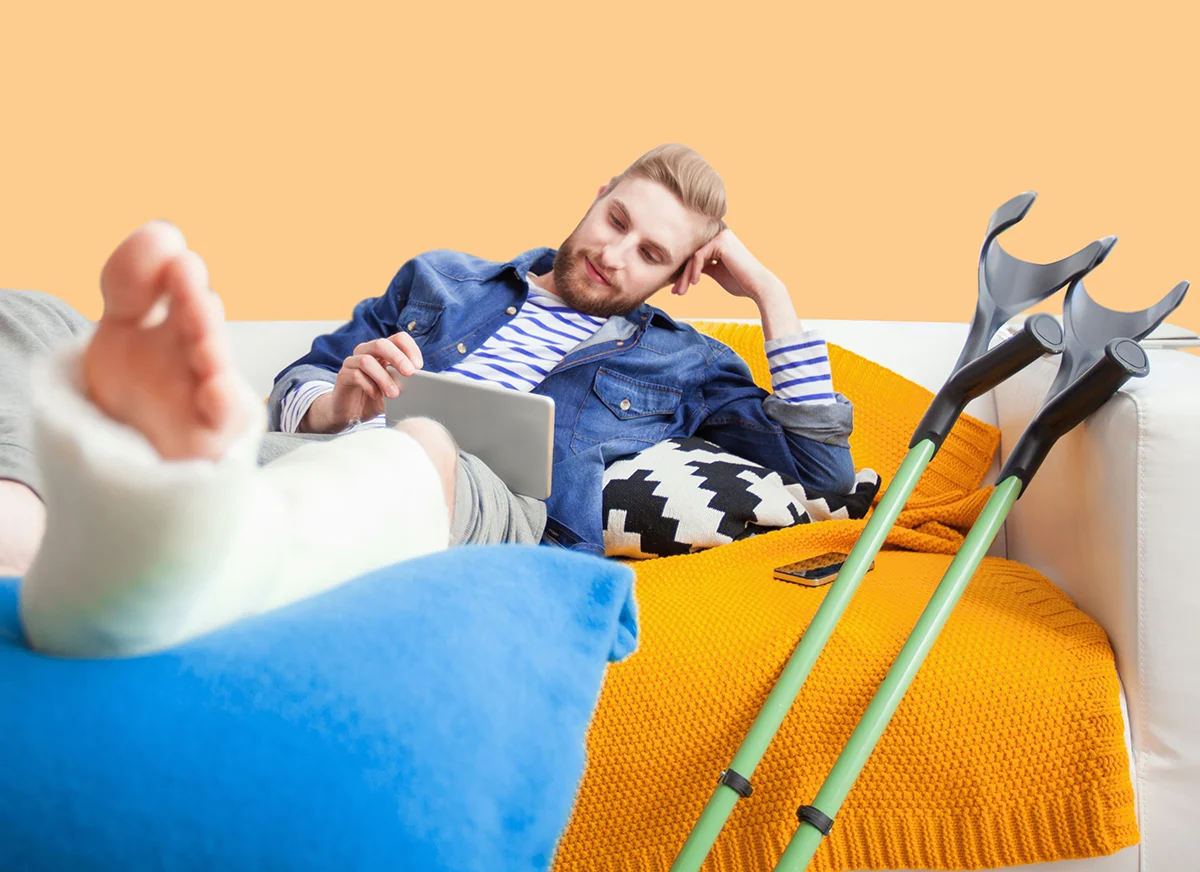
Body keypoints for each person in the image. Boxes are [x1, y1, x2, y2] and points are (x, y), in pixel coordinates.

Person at [0, 143, 854, 659]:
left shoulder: (685, 360)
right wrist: (336, 403)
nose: (616, 252)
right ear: (597, 195)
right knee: (31, 314)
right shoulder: (441, 278)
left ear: (681, 276)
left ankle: (147, 548)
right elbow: (295, 384)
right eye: (617, 219)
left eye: (651, 252)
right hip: (320, 459)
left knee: (421, 446)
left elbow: (822, 474)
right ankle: (28, 541)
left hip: (492, 508)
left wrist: (772, 294)